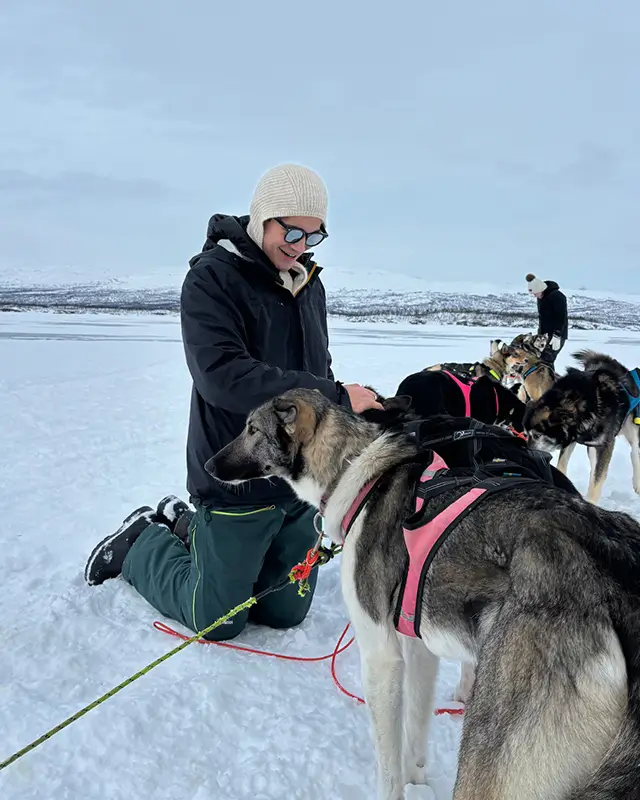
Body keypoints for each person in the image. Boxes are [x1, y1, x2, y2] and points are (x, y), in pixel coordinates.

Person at [84, 163, 382, 640]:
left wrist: (348, 410)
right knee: (219, 619)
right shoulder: (213, 278)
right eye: (291, 231)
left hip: (297, 482)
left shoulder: (309, 283)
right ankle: (142, 541)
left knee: (283, 612)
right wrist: (332, 394)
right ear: (263, 216)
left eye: (313, 235)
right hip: (237, 474)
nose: (300, 245)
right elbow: (222, 376)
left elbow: (317, 368)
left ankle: (189, 530)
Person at [525, 273, 569, 364]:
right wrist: (540, 333)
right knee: (540, 360)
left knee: (547, 360)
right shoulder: (541, 297)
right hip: (544, 335)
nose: (535, 296)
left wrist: (557, 335)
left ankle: (548, 374)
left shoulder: (557, 296)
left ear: (540, 289)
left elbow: (561, 317)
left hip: (556, 335)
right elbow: (542, 318)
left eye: (535, 293)